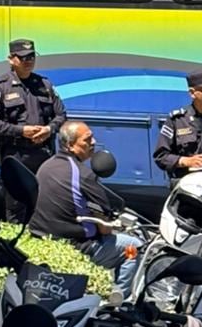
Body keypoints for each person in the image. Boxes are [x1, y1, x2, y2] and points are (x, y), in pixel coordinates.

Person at [30, 121, 139, 294]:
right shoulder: (83, 175)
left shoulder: (46, 166)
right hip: (76, 247)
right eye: (87, 140)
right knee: (133, 247)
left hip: (42, 239)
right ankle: (120, 303)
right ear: (70, 145)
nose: (94, 142)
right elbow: (105, 229)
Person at [0, 39, 66, 222]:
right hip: (15, 155)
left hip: (44, 154)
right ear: (11, 59)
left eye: (31, 57)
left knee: (44, 206)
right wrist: (21, 131)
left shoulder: (44, 85)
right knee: (16, 208)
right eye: (22, 58)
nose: (28, 61)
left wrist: (48, 129)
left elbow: (61, 115)